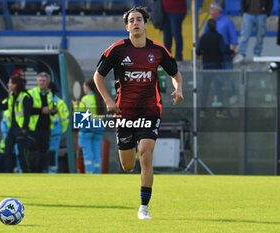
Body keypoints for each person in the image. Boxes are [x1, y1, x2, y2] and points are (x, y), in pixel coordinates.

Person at [93, 6, 183, 219]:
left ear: (145, 23)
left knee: (145, 153)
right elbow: (98, 77)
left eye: (139, 19)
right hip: (124, 113)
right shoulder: (117, 50)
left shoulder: (158, 50)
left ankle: (144, 207)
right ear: (127, 27)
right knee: (127, 165)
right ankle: (127, 150)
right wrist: (108, 100)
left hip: (150, 110)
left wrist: (178, 88)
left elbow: (176, 74)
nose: (135, 22)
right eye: (131, 20)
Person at [0, 74, 36, 173]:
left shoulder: (25, 97)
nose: (8, 84)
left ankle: (26, 172)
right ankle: (9, 172)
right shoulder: (11, 96)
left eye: (10, 83)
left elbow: (27, 114)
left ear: (15, 85)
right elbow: (4, 107)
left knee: (21, 153)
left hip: (21, 129)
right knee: (7, 151)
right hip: (12, 128)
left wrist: (24, 129)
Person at [74, 79, 104, 174]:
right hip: (98, 129)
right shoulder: (100, 99)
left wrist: (75, 106)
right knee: (96, 153)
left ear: (87, 87)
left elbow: (80, 118)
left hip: (87, 130)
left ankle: (90, 172)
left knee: (87, 153)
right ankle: (97, 172)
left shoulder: (85, 99)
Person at [197, 18, 226, 111]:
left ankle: (202, 110)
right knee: (218, 89)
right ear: (215, 26)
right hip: (217, 66)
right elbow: (223, 50)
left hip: (206, 66)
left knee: (205, 89)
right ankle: (219, 110)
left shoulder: (203, 37)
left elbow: (198, 51)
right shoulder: (219, 37)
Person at [28, 72, 53, 173]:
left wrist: (53, 110)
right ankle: (33, 171)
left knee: (44, 151)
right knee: (34, 151)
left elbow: (54, 108)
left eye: (44, 81)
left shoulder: (51, 94)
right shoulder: (31, 93)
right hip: (34, 127)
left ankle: (41, 171)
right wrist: (41, 110)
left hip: (46, 127)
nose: (42, 82)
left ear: (48, 82)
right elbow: (27, 110)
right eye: (40, 80)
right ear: (37, 81)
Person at [203, 3, 238, 69]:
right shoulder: (208, 22)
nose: (210, 11)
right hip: (212, 51)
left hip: (224, 50)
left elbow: (233, 36)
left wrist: (234, 46)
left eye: (212, 9)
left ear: (217, 10)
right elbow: (204, 35)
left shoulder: (227, 21)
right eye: (210, 9)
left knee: (227, 70)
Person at [48, 81, 69, 173]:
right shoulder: (60, 102)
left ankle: (50, 172)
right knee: (53, 153)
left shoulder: (44, 100)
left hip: (49, 131)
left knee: (49, 153)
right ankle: (52, 172)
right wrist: (61, 130)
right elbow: (65, 119)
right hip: (56, 131)